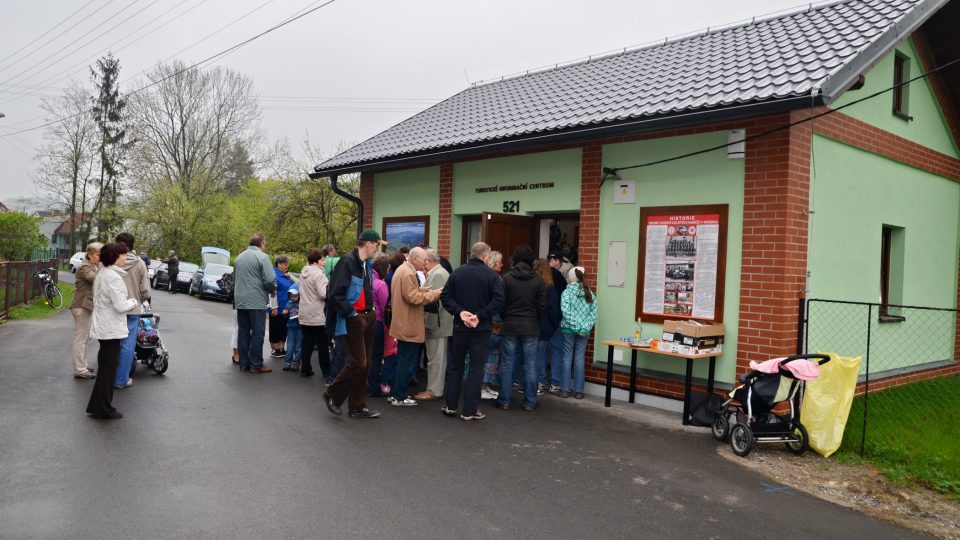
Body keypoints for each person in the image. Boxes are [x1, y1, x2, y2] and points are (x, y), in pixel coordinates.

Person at [322, 229, 384, 419]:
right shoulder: (347, 262)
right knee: (358, 362)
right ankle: (332, 394)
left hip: (368, 316)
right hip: (354, 319)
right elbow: (334, 293)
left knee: (365, 364)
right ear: (369, 244)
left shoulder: (365, 264)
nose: (378, 249)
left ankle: (357, 406)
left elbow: (365, 291)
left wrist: (371, 311)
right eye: (377, 245)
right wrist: (352, 314)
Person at [440, 241, 505, 421]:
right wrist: (480, 315)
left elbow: (445, 296)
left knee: (456, 365)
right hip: (481, 328)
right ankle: (469, 410)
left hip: (460, 327)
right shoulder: (491, 276)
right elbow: (499, 300)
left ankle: (451, 405)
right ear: (485, 256)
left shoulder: (458, 272)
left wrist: (460, 312)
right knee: (476, 368)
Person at [86, 242, 138, 419]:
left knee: (105, 370)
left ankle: (96, 405)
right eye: (123, 255)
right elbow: (120, 306)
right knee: (108, 371)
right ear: (115, 257)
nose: (125, 257)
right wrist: (133, 301)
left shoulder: (104, 273)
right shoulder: (113, 277)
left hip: (105, 327)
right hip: (111, 329)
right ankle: (104, 408)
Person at [387, 247, 442, 408]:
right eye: (423, 259)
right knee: (407, 362)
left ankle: (396, 394)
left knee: (402, 360)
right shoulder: (408, 273)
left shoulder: (402, 270)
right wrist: (435, 294)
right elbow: (413, 297)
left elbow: (409, 292)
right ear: (414, 259)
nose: (426, 262)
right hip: (408, 324)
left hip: (402, 323)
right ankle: (400, 396)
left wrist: (424, 290)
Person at [497, 245, 547, 412]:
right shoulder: (538, 281)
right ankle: (530, 401)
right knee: (530, 364)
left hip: (510, 324)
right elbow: (542, 306)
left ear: (515, 259)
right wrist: (534, 317)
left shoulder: (507, 278)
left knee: (507, 363)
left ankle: (504, 400)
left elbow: (500, 303)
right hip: (530, 326)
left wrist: (506, 317)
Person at [233, 234, 277, 373]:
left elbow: (234, 278)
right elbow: (270, 279)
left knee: (243, 332)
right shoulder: (263, 257)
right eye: (265, 244)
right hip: (256, 300)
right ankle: (256, 364)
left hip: (240, 299)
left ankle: (244, 364)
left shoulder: (239, 257)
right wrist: (272, 291)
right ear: (261, 244)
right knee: (258, 333)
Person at [414, 249, 452, 401]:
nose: (422, 264)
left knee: (436, 359)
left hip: (437, 324)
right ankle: (434, 389)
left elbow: (434, 303)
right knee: (435, 358)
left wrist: (426, 323)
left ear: (429, 260)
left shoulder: (437, 274)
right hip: (438, 323)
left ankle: (434, 391)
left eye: (424, 260)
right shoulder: (439, 273)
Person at [114, 232, 150, 391]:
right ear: (132, 246)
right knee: (128, 345)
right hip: (132, 310)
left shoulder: (110, 260)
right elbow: (145, 291)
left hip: (113, 309)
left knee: (111, 343)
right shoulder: (140, 263)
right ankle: (121, 379)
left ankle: (107, 376)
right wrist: (141, 301)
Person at [558, 267, 599, 399]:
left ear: (571, 278)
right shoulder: (590, 293)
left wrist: (576, 327)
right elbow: (594, 314)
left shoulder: (567, 292)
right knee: (579, 358)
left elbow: (566, 312)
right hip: (584, 332)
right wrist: (583, 328)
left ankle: (564, 389)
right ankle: (579, 391)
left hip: (568, 329)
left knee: (566, 358)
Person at [69, 242, 102, 379]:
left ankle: (82, 365)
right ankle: (80, 369)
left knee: (86, 338)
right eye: (98, 255)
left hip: (86, 306)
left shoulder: (93, 265)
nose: (100, 257)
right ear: (89, 254)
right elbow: (94, 278)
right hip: (81, 306)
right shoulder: (84, 267)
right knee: (81, 339)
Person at [298, 248, 330, 380]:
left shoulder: (303, 272)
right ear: (316, 261)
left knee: (307, 342)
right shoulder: (319, 274)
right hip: (317, 314)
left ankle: (305, 368)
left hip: (305, 312)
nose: (325, 261)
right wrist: (331, 289)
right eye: (322, 259)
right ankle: (327, 371)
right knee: (322, 344)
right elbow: (323, 294)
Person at [533, 258, 561, 395]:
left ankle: (537, 382)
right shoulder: (550, 287)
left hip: (532, 325)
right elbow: (554, 309)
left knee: (535, 356)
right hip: (546, 325)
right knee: (547, 354)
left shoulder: (532, 285)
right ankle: (547, 382)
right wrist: (555, 323)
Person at [481, 251, 503, 400]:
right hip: (493, 319)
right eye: (500, 262)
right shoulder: (494, 278)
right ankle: (482, 386)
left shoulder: (490, 276)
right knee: (488, 354)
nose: (502, 265)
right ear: (494, 263)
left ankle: (486, 385)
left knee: (492, 354)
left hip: (491, 318)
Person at [367, 255, 390, 397]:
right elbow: (385, 306)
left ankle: (365, 384)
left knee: (366, 355)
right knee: (376, 356)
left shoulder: (367, 280)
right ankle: (374, 387)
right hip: (378, 322)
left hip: (366, 320)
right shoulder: (381, 284)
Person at [269, 255, 295, 358]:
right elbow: (272, 292)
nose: (287, 266)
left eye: (287, 264)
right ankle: (275, 349)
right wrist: (274, 307)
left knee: (284, 329)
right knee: (275, 328)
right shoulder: (274, 274)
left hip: (286, 307)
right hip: (277, 307)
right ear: (278, 264)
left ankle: (281, 348)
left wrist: (290, 276)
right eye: (285, 264)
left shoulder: (286, 275)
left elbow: (298, 284)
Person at [283, 287, 302, 371]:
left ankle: (296, 362)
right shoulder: (288, 303)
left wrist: (300, 318)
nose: (293, 298)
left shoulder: (302, 303)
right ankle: (287, 362)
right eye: (291, 296)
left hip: (300, 327)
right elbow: (286, 316)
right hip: (290, 327)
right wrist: (285, 313)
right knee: (290, 345)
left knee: (298, 346)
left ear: (299, 295)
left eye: (295, 296)